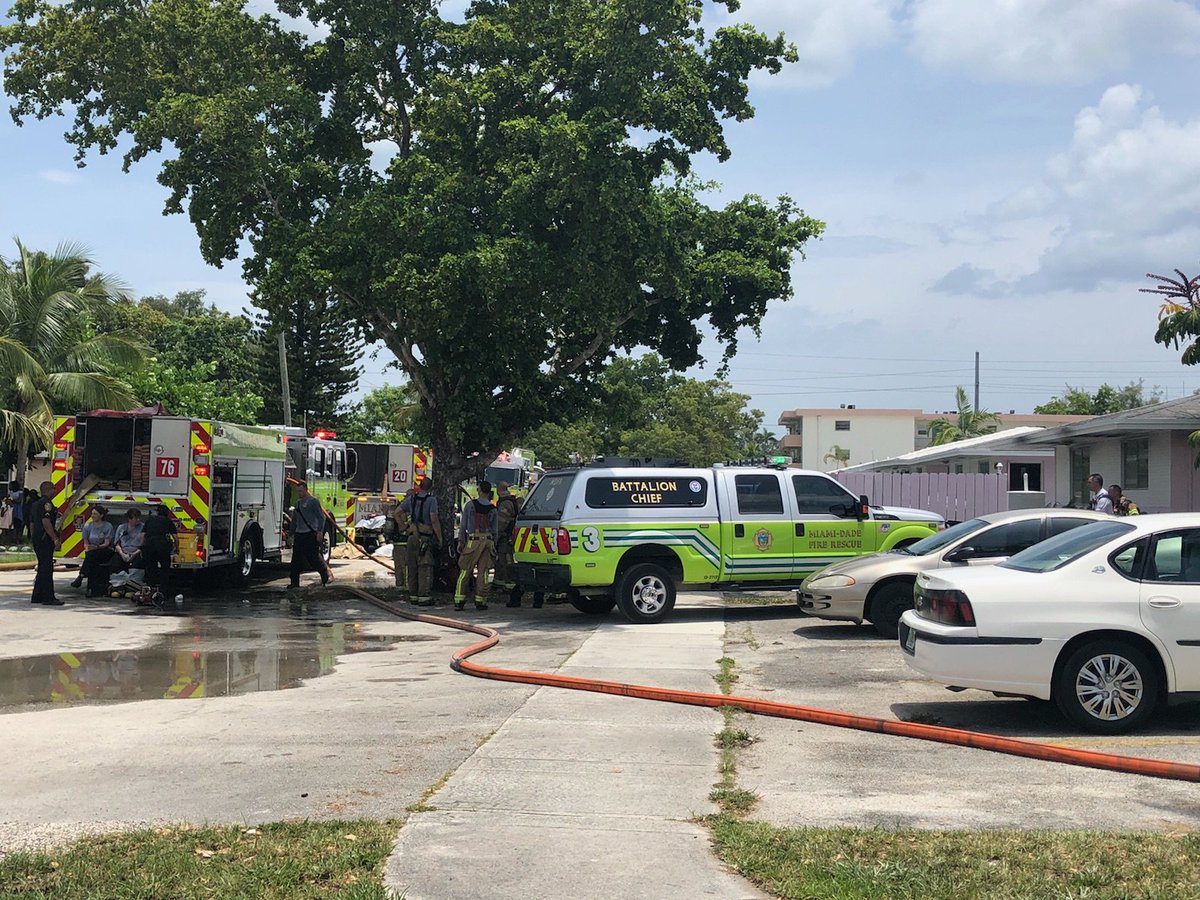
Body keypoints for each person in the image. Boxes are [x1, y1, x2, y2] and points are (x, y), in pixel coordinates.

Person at [455, 480, 497, 612]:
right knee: (483, 572)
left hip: (473, 540)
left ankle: (459, 600)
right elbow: (495, 530)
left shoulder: (470, 505)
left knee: (465, 570)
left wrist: (461, 541)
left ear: (479, 490)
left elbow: (463, 525)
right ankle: (481, 600)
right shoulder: (493, 509)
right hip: (488, 541)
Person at [400, 475, 442, 606]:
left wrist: (403, 526)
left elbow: (396, 512)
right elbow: (434, 520)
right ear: (431, 488)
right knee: (425, 566)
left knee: (412, 566)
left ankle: (413, 595)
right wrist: (440, 538)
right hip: (425, 537)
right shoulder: (432, 500)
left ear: (420, 486)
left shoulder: (411, 499)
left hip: (411, 536)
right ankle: (424, 597)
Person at [289, 481, 331, 589]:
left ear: (306, 490)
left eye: (301, 491)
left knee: (313, 558)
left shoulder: (313, 502)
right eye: (298, 491)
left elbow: (322, 517)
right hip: (299, 534)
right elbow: (294, 520)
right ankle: (294, 583)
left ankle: (324, 576)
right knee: (295, 561)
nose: (299, 493)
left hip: (310, 534)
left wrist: (319, 531)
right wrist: (291, 533)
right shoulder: (297, 503)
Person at [30, 480, 63, 606]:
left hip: (38, 538)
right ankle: (48, 597)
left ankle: (37, 596)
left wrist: (34, 538)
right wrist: (54, 538)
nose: (55, 491)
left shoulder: (35, 504)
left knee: (42, 567)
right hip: (45, 539)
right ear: (48, 490)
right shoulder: (46, 504)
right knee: (47, 568)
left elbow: (32, 523)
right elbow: (46, 522)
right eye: (53, 489)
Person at [73, 505, 115, 596]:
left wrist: (96, 547)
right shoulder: (88, 526)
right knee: (91, 558)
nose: (93, 516)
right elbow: (85, 542)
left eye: (95, 514)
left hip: (105, 550)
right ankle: (92, 589)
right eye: (92, 514)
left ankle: (81, 576)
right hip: (93, 551)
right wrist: (87, 548)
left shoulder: (108, 526)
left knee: (91, 556)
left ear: (101, 515)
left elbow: (107, 543)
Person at [141, 504, 178, 601]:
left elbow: (143, 535)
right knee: (165, 570)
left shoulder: (150, 520)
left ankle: (150, 592)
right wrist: (177, 548)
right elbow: (175, 537)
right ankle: (163, 593)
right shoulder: (168, 521)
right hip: (163, 547)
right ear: (167, 513)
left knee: (151, 569)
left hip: (150, 546)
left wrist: (142, 547)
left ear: (157, 512)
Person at [390, 488, 415, 592]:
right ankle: (406, 587)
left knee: (401, 565)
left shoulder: (398, 508)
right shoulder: (410, 508)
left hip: (400, 541)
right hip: (405, 540)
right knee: (407, 565)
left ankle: (401, 587)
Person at [109, 508, 145, 573]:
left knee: (138, 563)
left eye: (139, 518)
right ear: (129, 519)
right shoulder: (121, 527)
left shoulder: (143, 527)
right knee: (115, 563)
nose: (138, 520)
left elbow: (143, 544)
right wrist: (122, 553)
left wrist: (134, 554)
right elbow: (116, 544)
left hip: (137, 552)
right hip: (123, 552)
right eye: (136, 518)